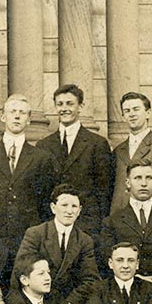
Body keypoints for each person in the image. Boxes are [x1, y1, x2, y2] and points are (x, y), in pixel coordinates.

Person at [0, 94, 58, 286]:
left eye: (22, 113)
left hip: (25, 236)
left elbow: (44, 203)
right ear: (3, 117)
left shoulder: (42, 158)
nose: (17, 116)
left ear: (29, 119)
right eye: (12, 112)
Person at [37, 85, 115, 236]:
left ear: (81, 106)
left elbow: (104, 190)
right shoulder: (44, 145)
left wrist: (99, 224)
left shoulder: (97, 143)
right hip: (53, 224)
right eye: (60, 104)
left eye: (70, 103)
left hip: (87, 223)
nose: (64, 108)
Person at [99, 161, 152, 281]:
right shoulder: (112, 222)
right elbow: (107, 258)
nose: (144, 183)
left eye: (149, 178)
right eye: (138, 178)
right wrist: (135, 278)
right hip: (127, 285)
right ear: (128, 183)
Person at [15, 183, 100, 303]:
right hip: (37, 302)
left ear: (79, 210)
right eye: (64, 205)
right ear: (53, 208)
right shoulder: (36, 234)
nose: (69, 211)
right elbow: (20, 271)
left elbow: (90, 280)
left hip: (69, 303)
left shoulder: (84, 240)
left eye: (74, 206)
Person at [111, 92, 152, 210]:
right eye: (127, 111)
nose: (132, 114)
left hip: (149, 218)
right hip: (119, 218)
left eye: (136, 109)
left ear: (148, 113)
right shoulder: (118, 150)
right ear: (123, 117)